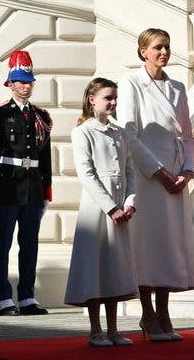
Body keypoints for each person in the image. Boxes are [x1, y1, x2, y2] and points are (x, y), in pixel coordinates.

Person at [115, 28, 194, 341]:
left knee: (169, 244)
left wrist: (188, 171)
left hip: (176, 175)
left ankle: (164, 310)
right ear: (143, 51)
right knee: (147, 244)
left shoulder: (177, 86)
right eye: (157, 47)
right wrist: (159, 171)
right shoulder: (131, 83)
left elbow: (188, 135)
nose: (164, 52)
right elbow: (129, 133)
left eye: (167, 46)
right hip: (148, 175)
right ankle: (147, 312)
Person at [0, 50, 53, 316]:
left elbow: (45, 156)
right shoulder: (0, 114)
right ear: (10, 84)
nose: (25, 85)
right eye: (20, 81)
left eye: (28, 80)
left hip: (33, 188)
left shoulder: (41, 116)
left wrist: (47, 191)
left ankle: (27, 297)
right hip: (7, 185)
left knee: (30, 243)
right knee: (3, 243)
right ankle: (5, 298)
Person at [65, 78, 139, 347]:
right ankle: (96, 330)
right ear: (92, 99)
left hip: (120, 206)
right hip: (97, 209)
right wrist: (110, 207)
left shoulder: (120, 132)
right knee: (95, 267)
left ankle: (114, 329)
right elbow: (87, 174)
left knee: (114, 268)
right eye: (108, 97)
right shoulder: (83, 132)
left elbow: (130, 171)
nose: (113, 102)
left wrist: (129, 202)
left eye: (115, 97)